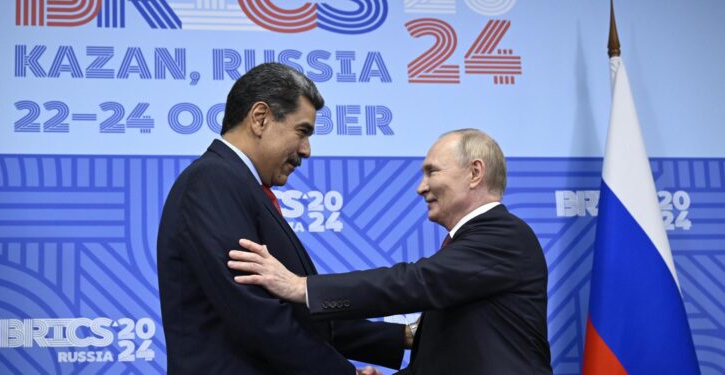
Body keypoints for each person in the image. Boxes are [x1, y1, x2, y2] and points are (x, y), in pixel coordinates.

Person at [228, 129, 553, 374]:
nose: (420, 186)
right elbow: (450, 356)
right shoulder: (468, 247)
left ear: (475, 173)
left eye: (432, 171)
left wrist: (302, 288)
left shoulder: (503, 236)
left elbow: (415, 282)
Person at [157, 63, 405, 374]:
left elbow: (295, 312)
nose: (307, 150)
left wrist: (402, 337)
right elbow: (254, 314)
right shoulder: (213, 180)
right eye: (302, 131)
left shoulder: (237, 184)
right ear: (260, 118)